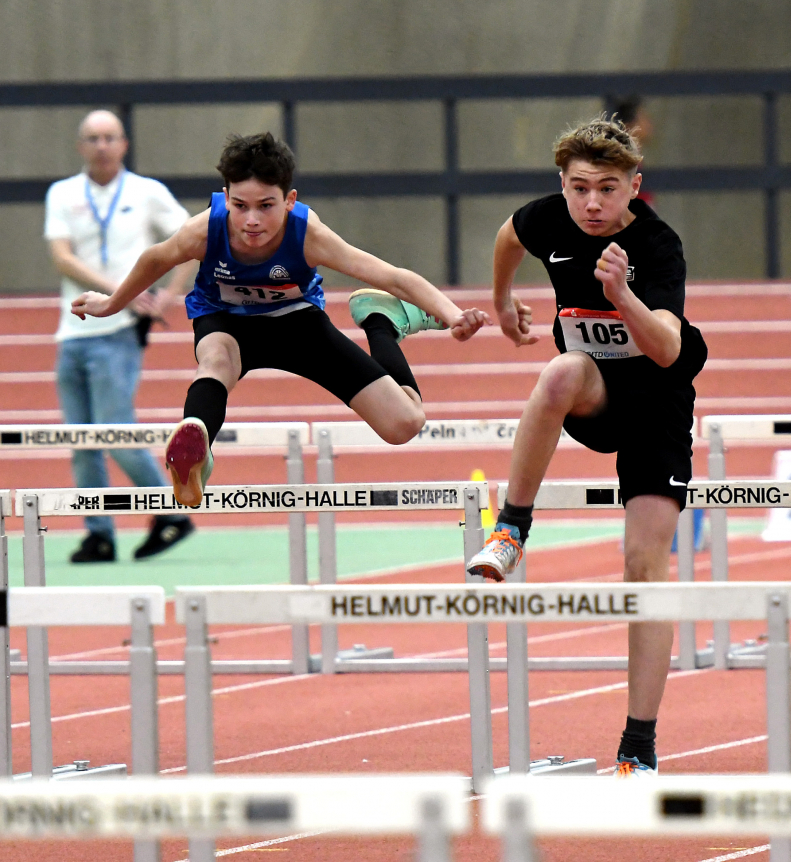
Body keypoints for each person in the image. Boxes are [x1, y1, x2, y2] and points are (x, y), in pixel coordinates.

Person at [466, 117, 708, 776]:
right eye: (579, 189)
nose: (593, 204)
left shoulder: (657, 246)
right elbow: (507, 235)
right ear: (562, 187)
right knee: (558, 372)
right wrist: (501, 297)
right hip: (597, 393)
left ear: (635, 186)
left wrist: (619, 293)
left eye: (607, 188)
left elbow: (665, 348)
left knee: (643, 569)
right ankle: (511, 528)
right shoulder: (548, 219)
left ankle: (638, 745)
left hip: (656, 404)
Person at [71, 131, 490, 506]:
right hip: (225, 321)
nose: (252, 220)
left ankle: (380, 321)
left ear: (289, 201)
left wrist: (452, 315)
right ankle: (197, 446)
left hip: (298, 325)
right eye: (240, 206)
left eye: (266, 206)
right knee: (215, 359)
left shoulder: (308, 235)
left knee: (405, 424)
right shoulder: (206, 230)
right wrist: (111, 303)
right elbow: (156, 258)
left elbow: (392, 276)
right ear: (226, 196)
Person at [45, 109, 196, 562]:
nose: (102, 146)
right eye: (92, 138)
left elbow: (194, 236)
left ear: (124, 144)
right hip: (72, 330)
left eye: (110, 137)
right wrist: (125, 292)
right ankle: (100, 533)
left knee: (114, 433)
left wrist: (170, 293)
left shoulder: (147, 193)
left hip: (117, 334)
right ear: (80, 146)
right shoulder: (63, 193)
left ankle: (171, 511)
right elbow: (63, 259)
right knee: (81, 440)